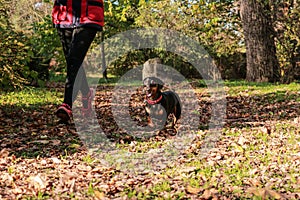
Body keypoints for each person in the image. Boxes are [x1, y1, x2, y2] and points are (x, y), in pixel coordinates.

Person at [52, 0, 104, 123]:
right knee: (72, 62)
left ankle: (67, 103)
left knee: (74, 60)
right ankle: (86, 94)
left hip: (89, 14)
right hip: (65, 14)